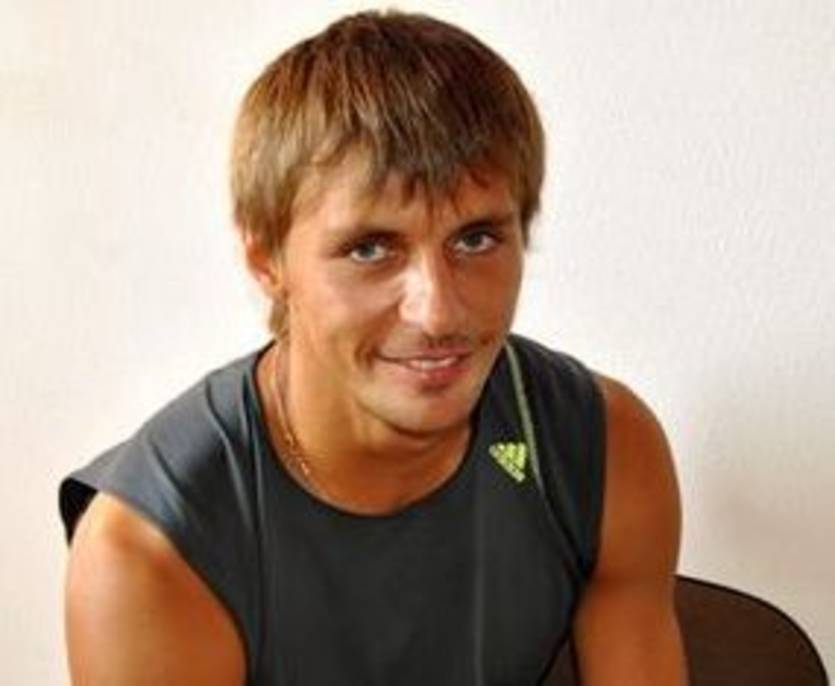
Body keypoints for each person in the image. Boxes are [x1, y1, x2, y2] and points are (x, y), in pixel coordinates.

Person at [60, 10, 687, 685]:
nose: (437, 311)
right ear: (267, 259)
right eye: (369, 249)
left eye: (475, 239)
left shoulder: (604, 448)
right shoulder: (152, 551)